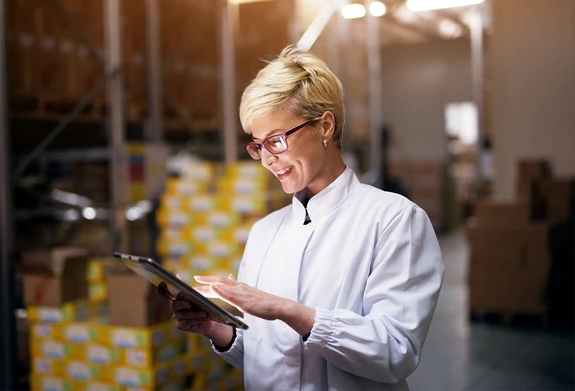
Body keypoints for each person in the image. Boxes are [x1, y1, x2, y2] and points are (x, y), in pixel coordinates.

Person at [168, 46, 444, 390]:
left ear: (325, 126)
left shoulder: (394, 221)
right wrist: (216, 328)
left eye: (277, 141)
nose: (267, 159)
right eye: (257, 145)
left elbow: (395, 351)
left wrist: (289, 311)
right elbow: (264, 356)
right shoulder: (264, 232)